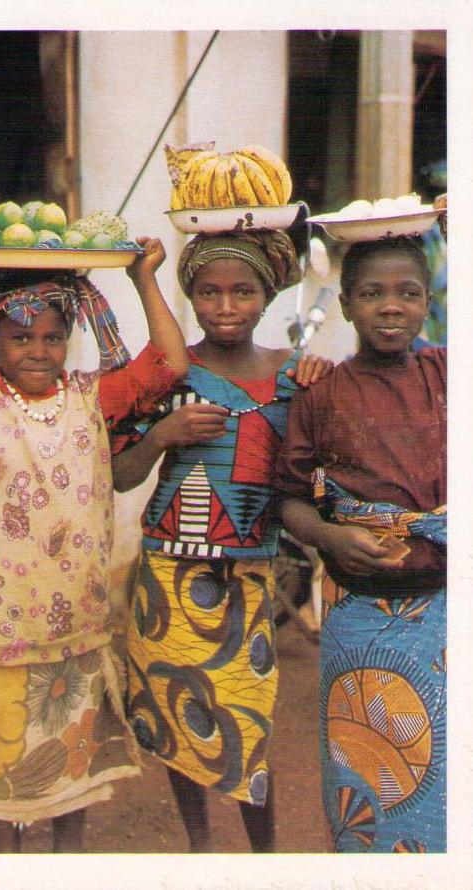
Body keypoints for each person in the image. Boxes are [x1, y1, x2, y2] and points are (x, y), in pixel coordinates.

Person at [0, 237, 188, 853]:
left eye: (51, 336)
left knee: (73, 764)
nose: (37, 351)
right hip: (2, 630)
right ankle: (7, 861)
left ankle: (65, 862)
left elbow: (169, 363)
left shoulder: (91, 397)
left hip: (77, 626)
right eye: (21, 338)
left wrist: (147, 278)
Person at [111, 229, 332, 852]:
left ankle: (264, 857)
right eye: (209, 293)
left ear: (268, 297)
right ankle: (200, 850)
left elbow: (315, 473)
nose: (225, 306)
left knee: (245, 720)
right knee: (178, 719)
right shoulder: (167, 373)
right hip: (167, 577)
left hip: (249, 578)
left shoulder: (295, 377)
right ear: (190, 296)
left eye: (242, 292)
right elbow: (121, 477)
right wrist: (161, 437)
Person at [274, 236, 446, 853]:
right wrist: (326, 536)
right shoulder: (320, 392)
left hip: (448, 614)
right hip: (359, 616)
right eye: (372, 294)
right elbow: (289, 497)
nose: (391, 308)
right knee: (366, 770)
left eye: (408, 293)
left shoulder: (448, 374)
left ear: (429, 303)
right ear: (345, 305)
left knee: (449, 769)